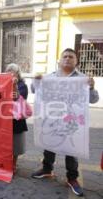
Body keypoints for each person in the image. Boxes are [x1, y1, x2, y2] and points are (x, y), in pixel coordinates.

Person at [31, 48, 99, 197]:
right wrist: (35, 81)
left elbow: (93, 99)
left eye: (71, 57)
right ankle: (47, 169)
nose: (67, 59)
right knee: (49, 145)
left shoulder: (82, 78)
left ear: (76, 61)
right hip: (53, 119)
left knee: (71, 151)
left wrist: (92, 87)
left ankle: (72, 178)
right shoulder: (50, 77)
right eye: (65, 56)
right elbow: (35, 91)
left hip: (71, 121)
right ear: (60, 60)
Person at [5, 63, 29, 173]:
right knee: (6, 142)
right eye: (8, 70)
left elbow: (19, 97)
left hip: (17, 119)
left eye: (12, 71)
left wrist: (14, 87)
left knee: (16, 143)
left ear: (17, 73)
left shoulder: (22, 85)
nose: (10, 73)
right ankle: (6, 161)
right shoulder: (4, 83)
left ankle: (14, 164)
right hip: (5, 118)